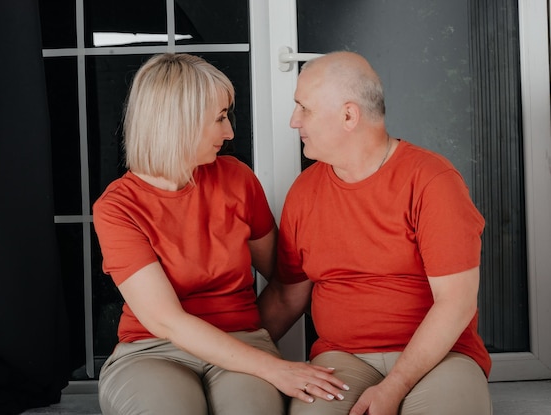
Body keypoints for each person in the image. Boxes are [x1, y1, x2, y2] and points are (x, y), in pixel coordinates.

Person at [92, 53, 349, 415]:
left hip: (244, 342)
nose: (229, 133)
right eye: (220, 118)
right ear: (179, 122)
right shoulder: (118, 206)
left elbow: (286, 276)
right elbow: (166, 320)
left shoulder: (237, 178)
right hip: (153, 349)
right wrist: (278, 369)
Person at [258, 51, 493, 415]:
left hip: (440, 357)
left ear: (349, 116)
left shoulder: (432, 181)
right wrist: (233, 355)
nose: (293, 121)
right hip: (343, 358)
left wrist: (394, 387)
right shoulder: (305, 191)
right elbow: (288, 295)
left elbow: (456, 303)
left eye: (304, 108)